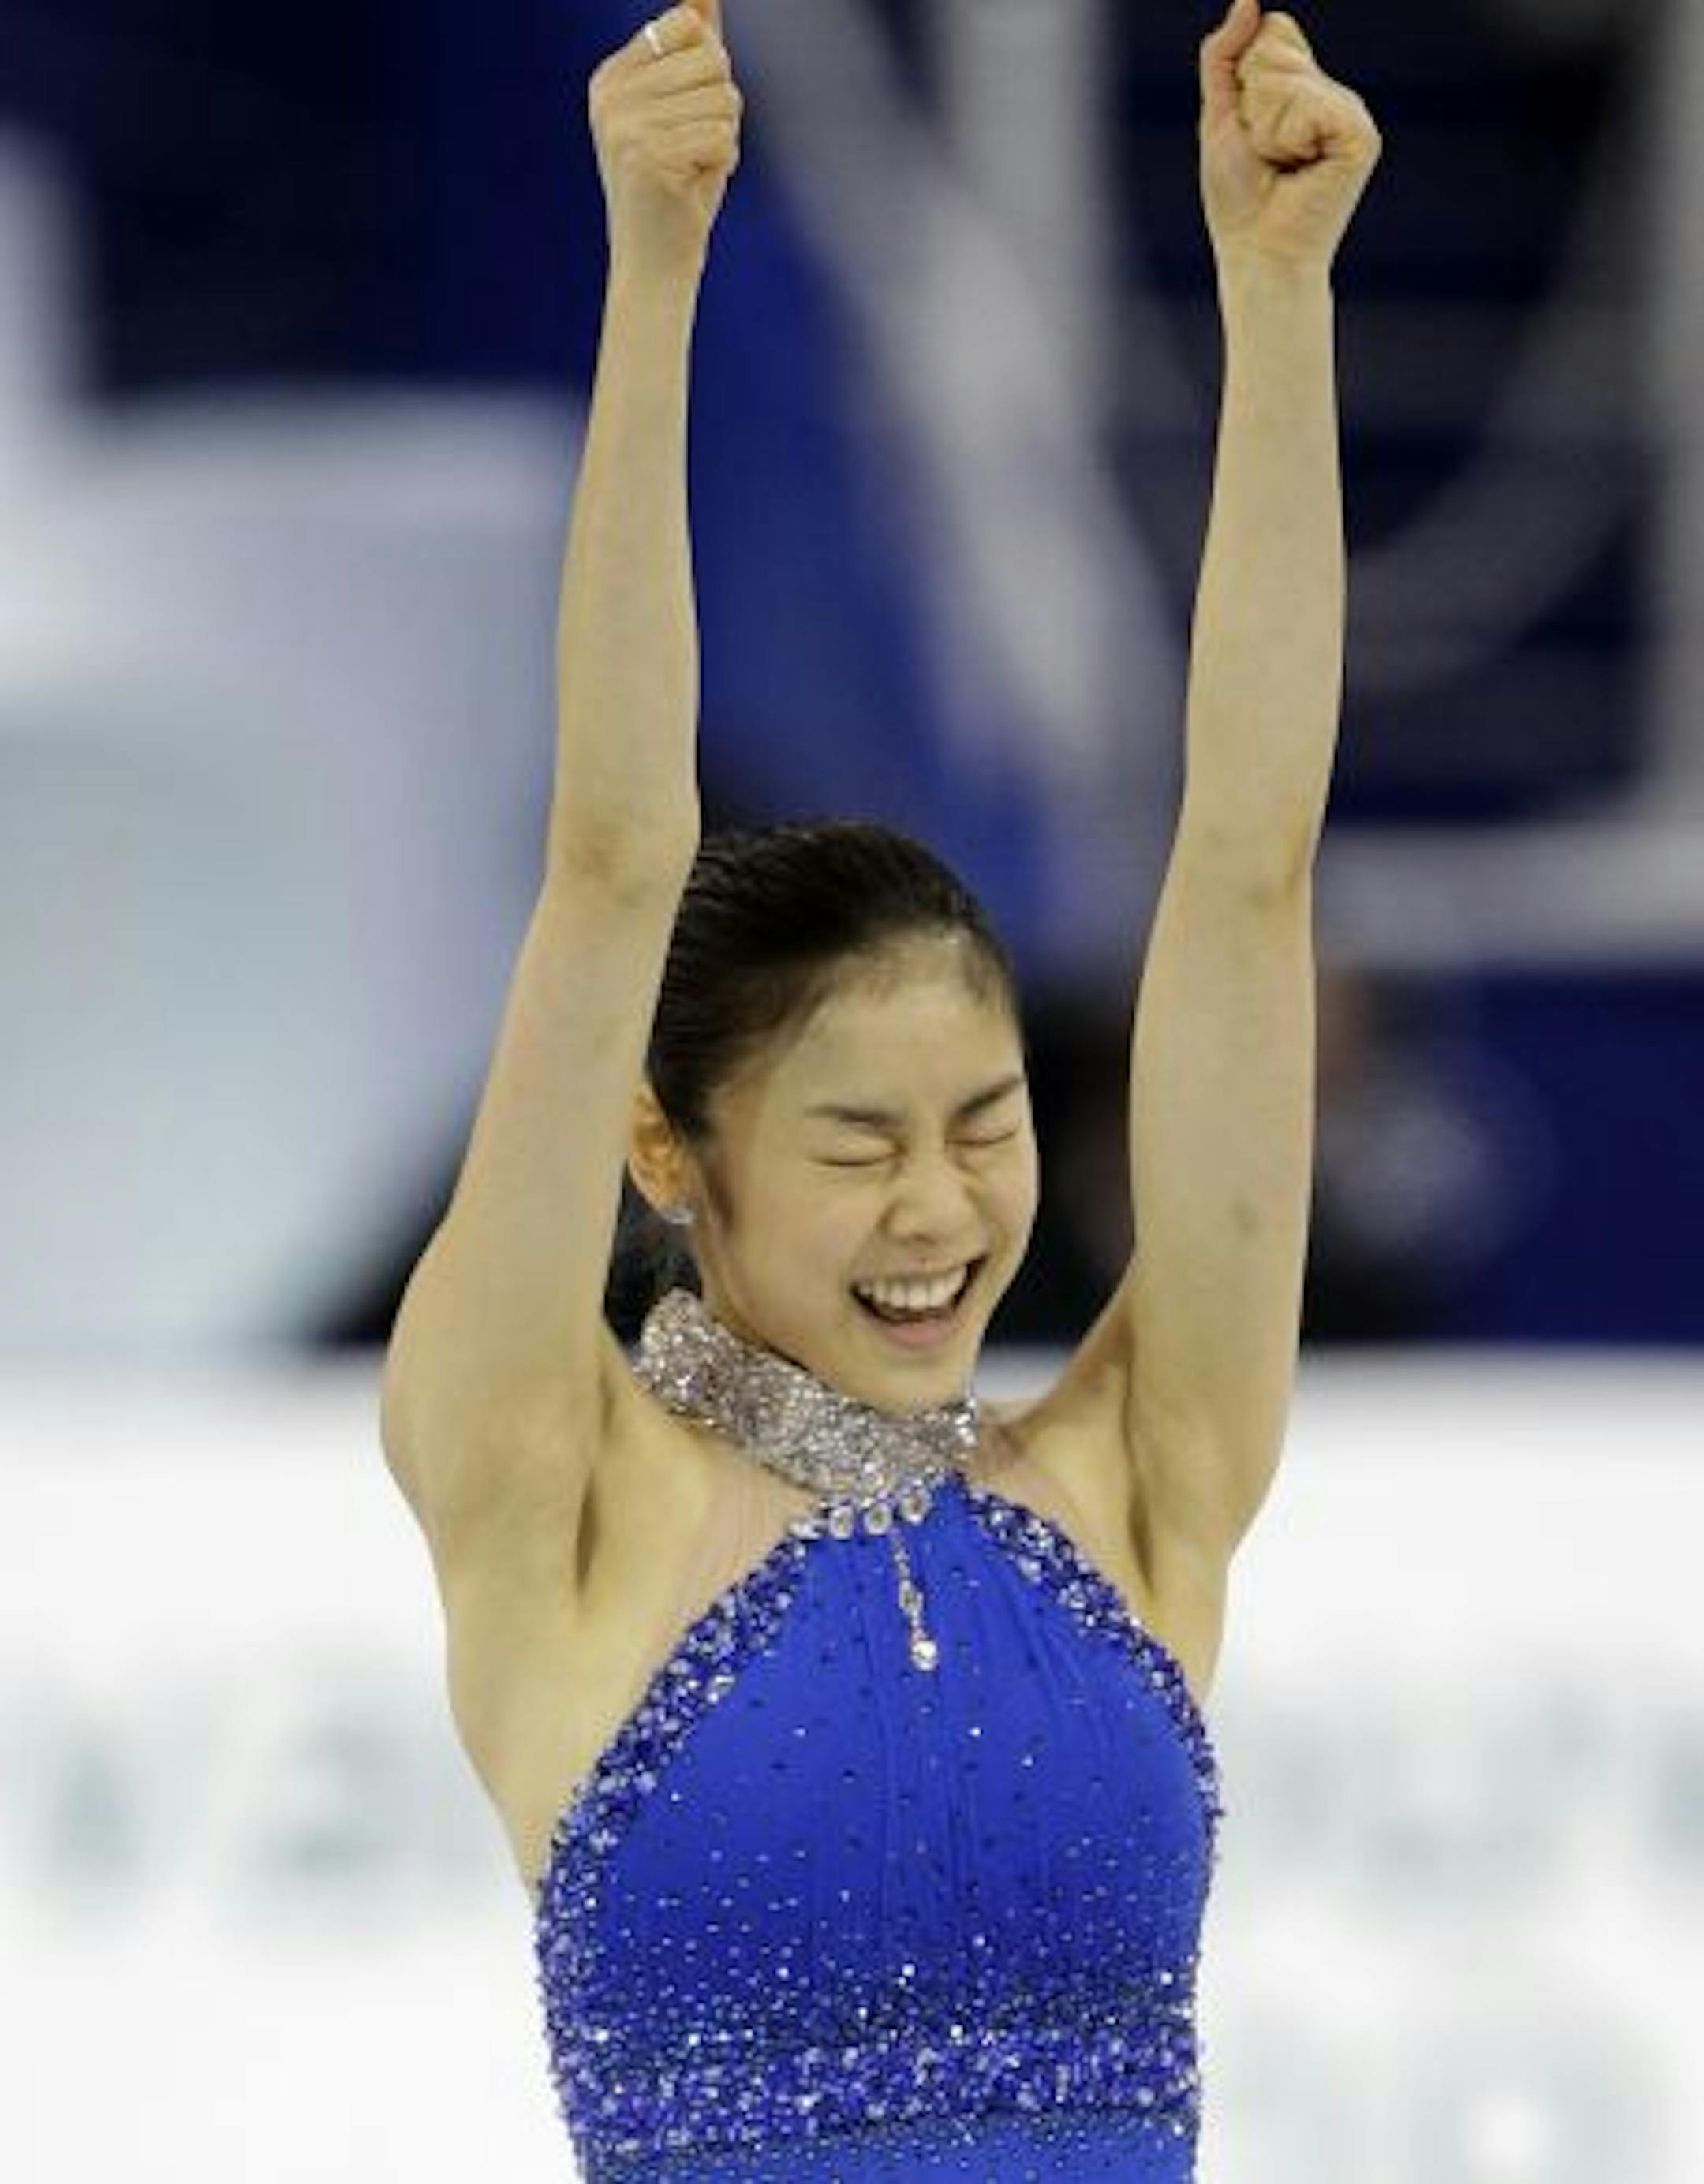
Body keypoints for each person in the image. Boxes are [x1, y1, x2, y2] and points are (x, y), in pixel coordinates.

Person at [379, 1, 1381, 2176]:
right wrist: (654, 280)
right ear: (674, 1149)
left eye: (986, 1124)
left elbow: (1246, 867)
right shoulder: (549, 1489)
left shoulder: (1139, 1478)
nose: (943, 1208)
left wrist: (1278, 305)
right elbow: (615, 859)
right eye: (859, 1141)